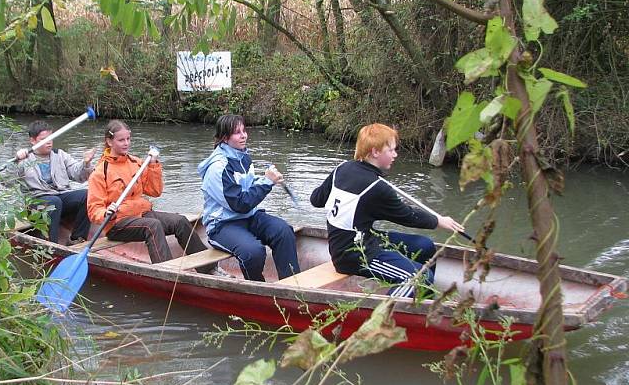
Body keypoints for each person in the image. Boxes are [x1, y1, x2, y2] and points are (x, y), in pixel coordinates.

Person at [310, 123, 465, 298]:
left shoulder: (342, 169)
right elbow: (408, 216)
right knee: (418, 277)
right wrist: (439, 221)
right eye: (391, 150)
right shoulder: (376, 187)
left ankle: (423, 302)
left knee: (425, 246)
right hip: (354, 256)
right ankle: (382, 317)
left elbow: (316, 200)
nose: (395, 154)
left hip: (364, 238)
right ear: (375, 152)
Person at [86, 119, 218, 272]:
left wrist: (153, 165)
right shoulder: (100, 172)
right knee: (152, 226)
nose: (126, 143)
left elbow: (155, 191)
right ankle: (167, 272)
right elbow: (94, 211)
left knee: (180, 221)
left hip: (141, 214)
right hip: (117, 223)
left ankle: (209, 268)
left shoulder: (136, 162)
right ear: (109, 142)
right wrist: (106, 213)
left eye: (128, 139)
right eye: (121, 140)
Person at [197, 114, 301, 282]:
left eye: (244, 130)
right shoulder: (218, 167)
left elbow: (248, 186)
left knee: (284, 231)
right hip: (222, 225)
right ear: (225, 137)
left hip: (249, 217)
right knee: (253, 252)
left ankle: (292, 286)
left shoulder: (243, 156)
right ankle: (258, 288)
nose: (243, 135)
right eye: (237, 132)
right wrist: (267, 182)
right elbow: (240, 203)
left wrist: (267, 179)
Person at [15, 120, 96, 244]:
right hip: (36, 202)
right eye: (43, 139)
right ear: (33, 141)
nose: (49, 142)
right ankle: (50, 244)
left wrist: (85, 163)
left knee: (88, 194)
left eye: (51, 138)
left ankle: (78, 239)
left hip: (59, 196)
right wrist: (17, 160)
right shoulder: (24, 160)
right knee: (54, 202)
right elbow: (8, 179)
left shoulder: (60, 155)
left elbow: (78, 175)